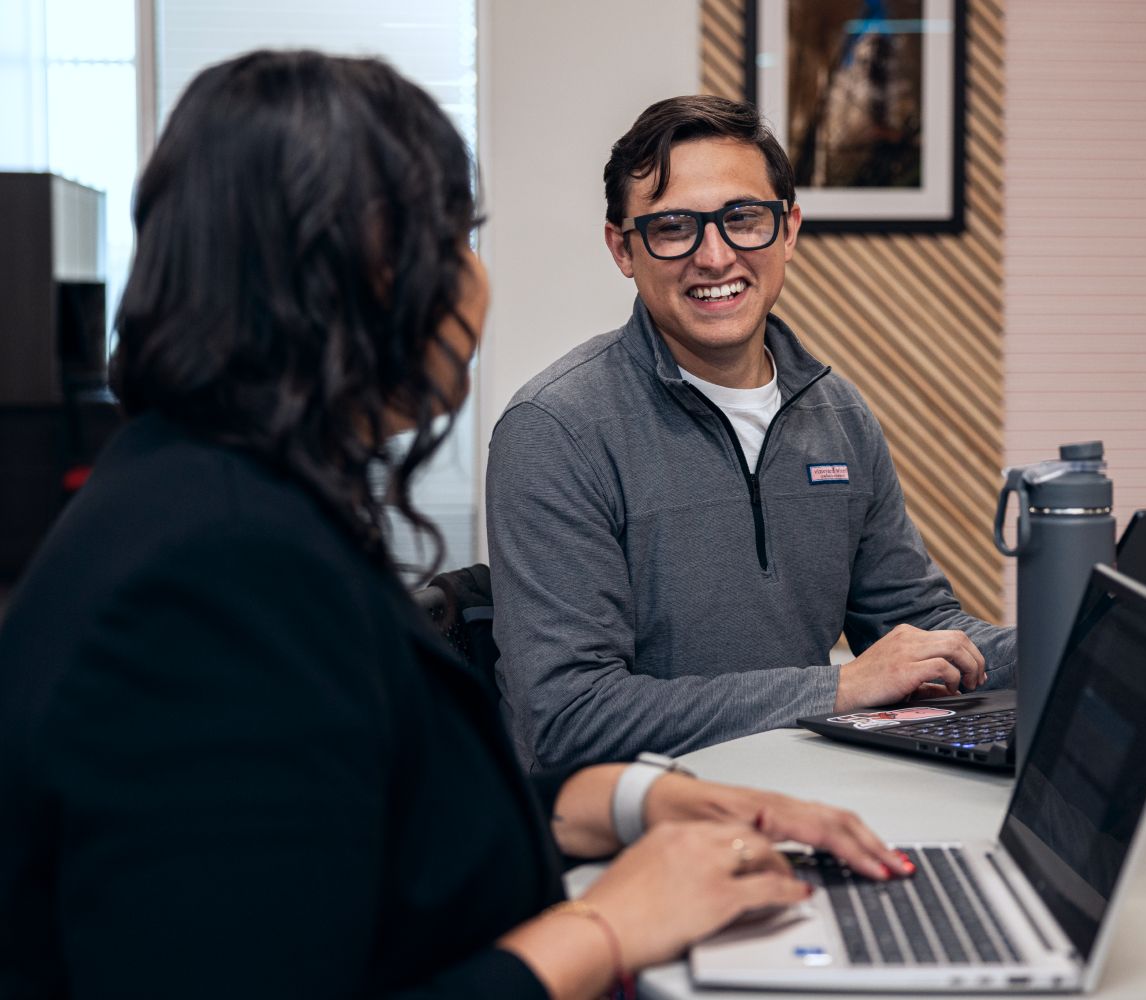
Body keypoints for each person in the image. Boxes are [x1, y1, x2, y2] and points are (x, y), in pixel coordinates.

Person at [0, 52, 912, 999]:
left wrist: (642, 798)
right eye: (456, 238)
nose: (476, 280)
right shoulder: (210, 580)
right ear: (353, 273)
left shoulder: (216, 497)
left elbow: (376, 825)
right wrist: (608, 925)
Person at [486, 95, 1015, 773]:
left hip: (805, 799)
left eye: (743, 219)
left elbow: (923, 628)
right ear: (623, 247)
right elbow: (567, 719)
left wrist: (1090, 639)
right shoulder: (556, 430)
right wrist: (840, 687)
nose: (715, 256)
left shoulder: (839, 415)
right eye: (674, 226)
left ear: (787, 230)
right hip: (638, 837)